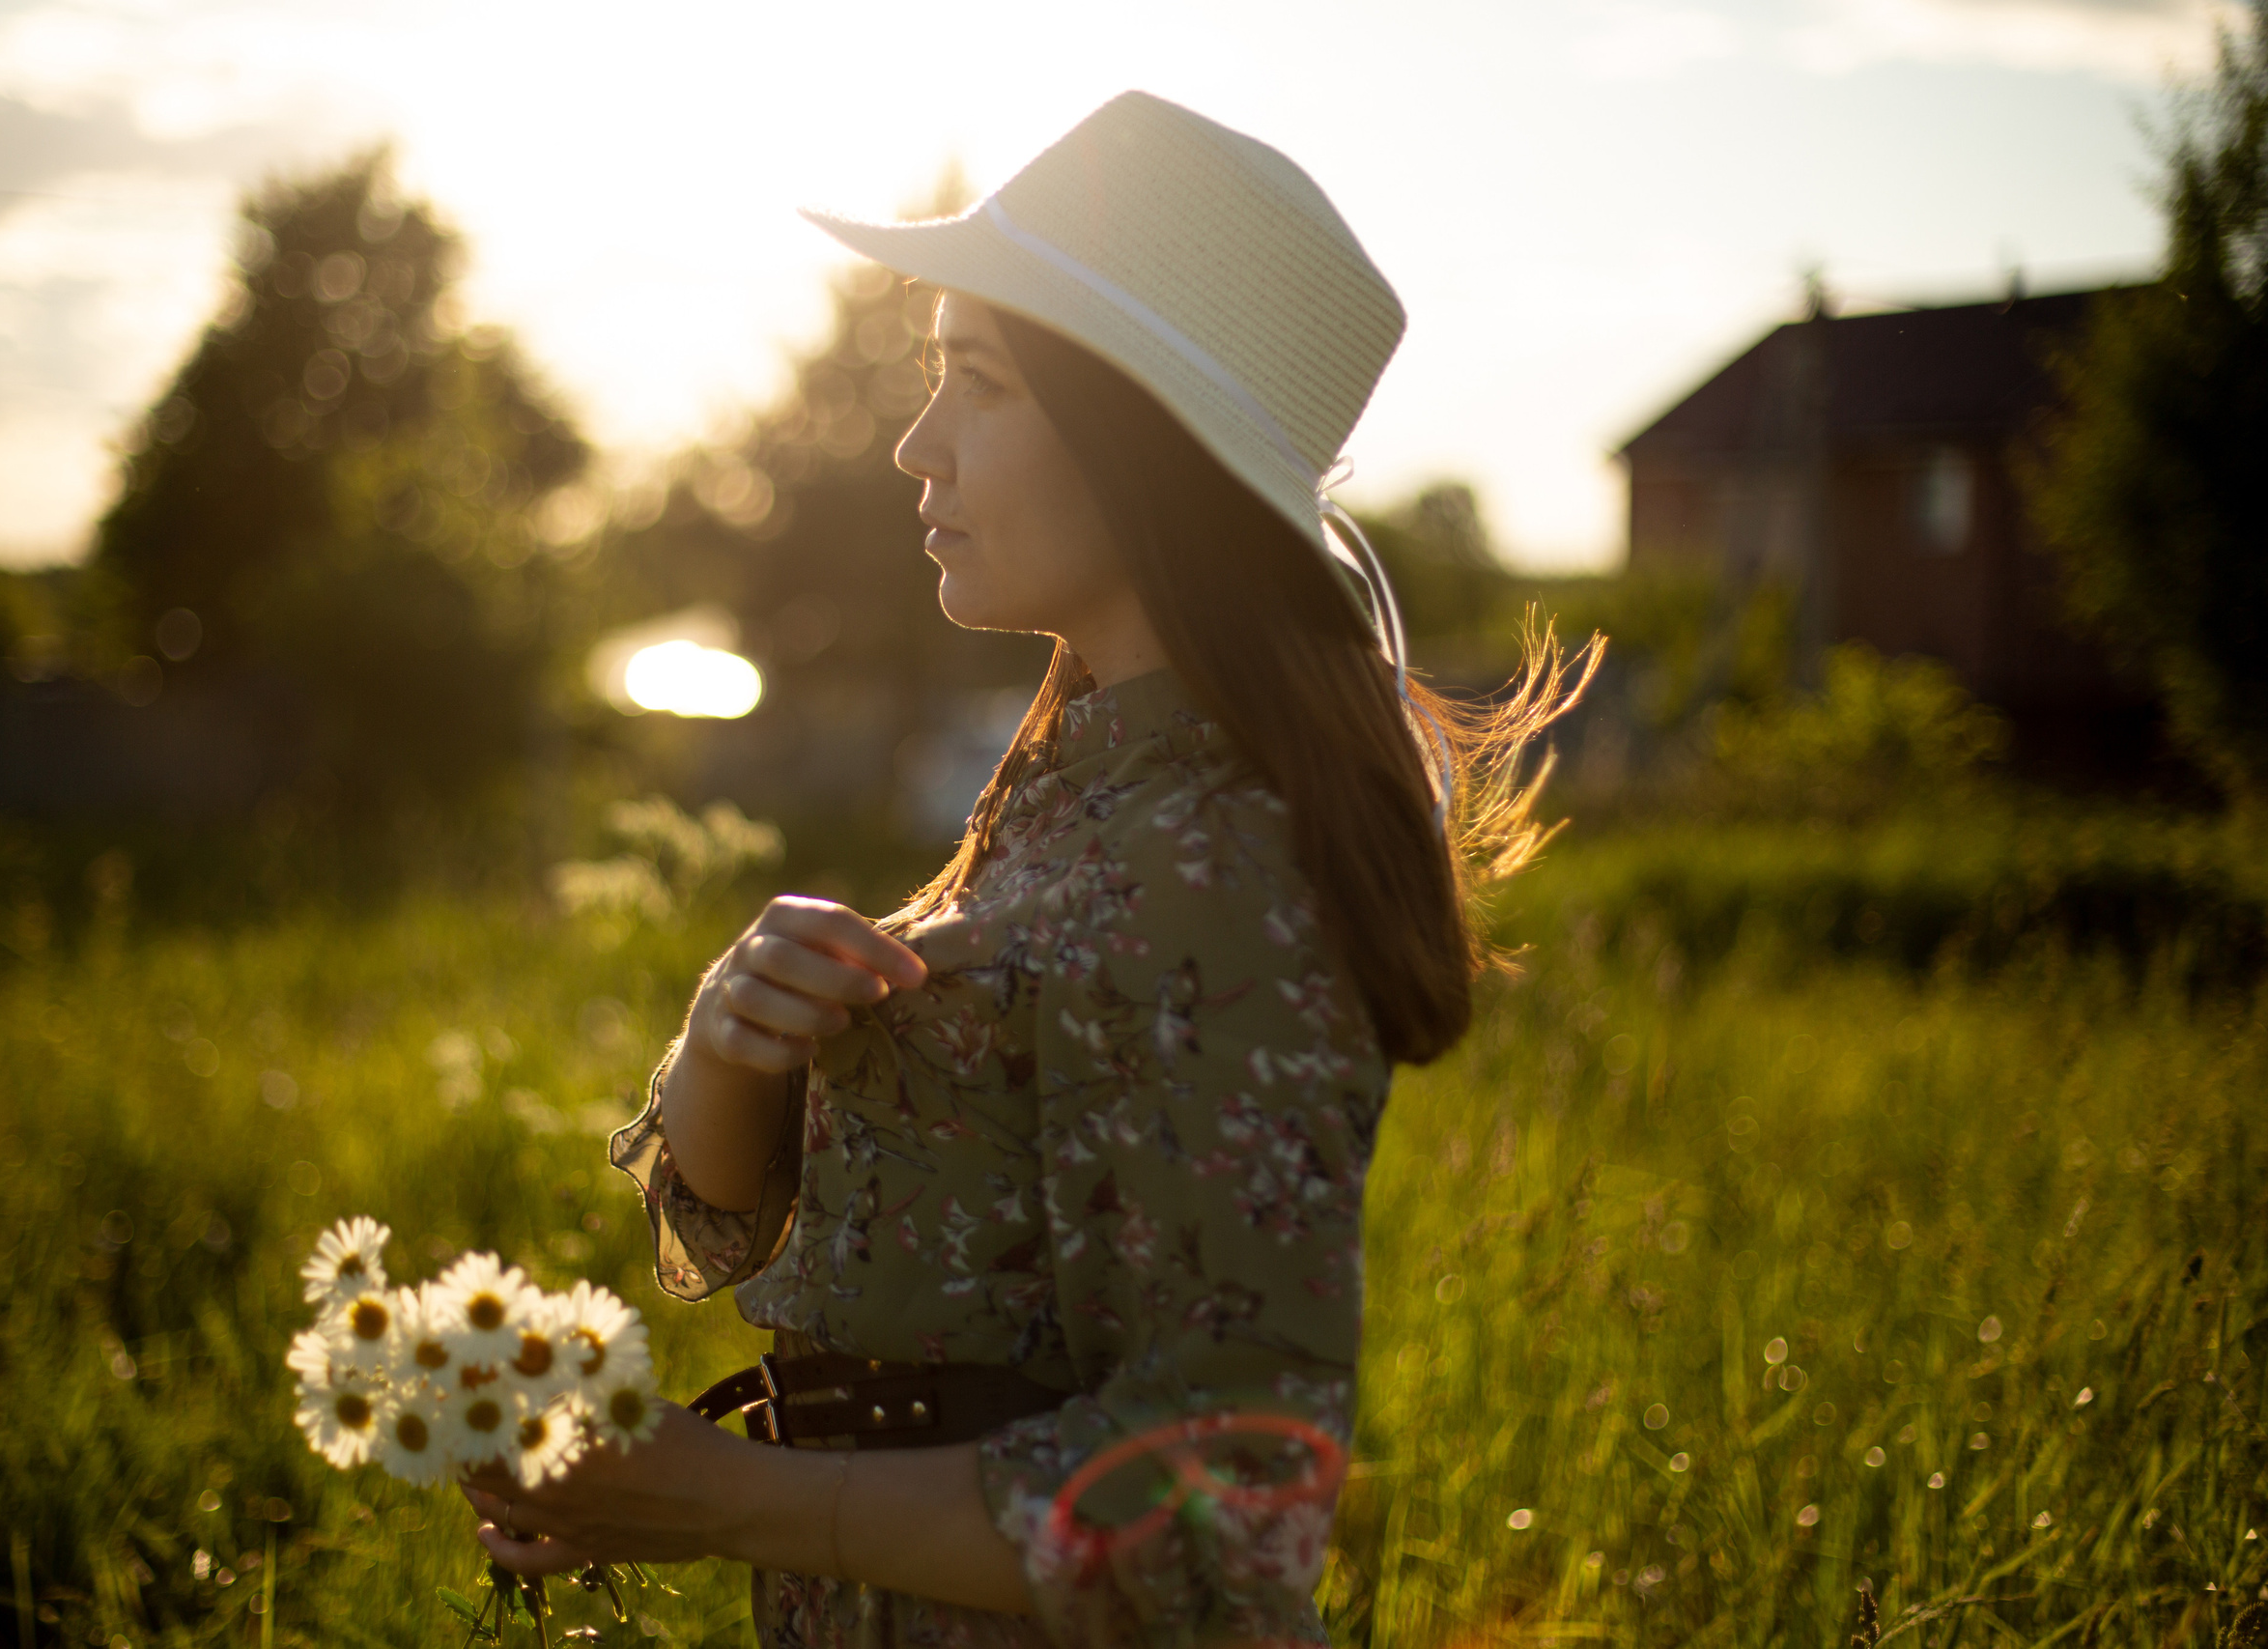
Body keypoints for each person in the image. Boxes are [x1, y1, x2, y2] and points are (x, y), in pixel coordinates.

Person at [460, 89, 1591, 1647]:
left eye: (974, 385)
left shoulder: (1223, 867)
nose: (916, 445)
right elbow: (794, 1253)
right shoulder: (1068, 786)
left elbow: (1224, 1517)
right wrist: (731, 1044)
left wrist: (718, 1498)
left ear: (1144, 444)